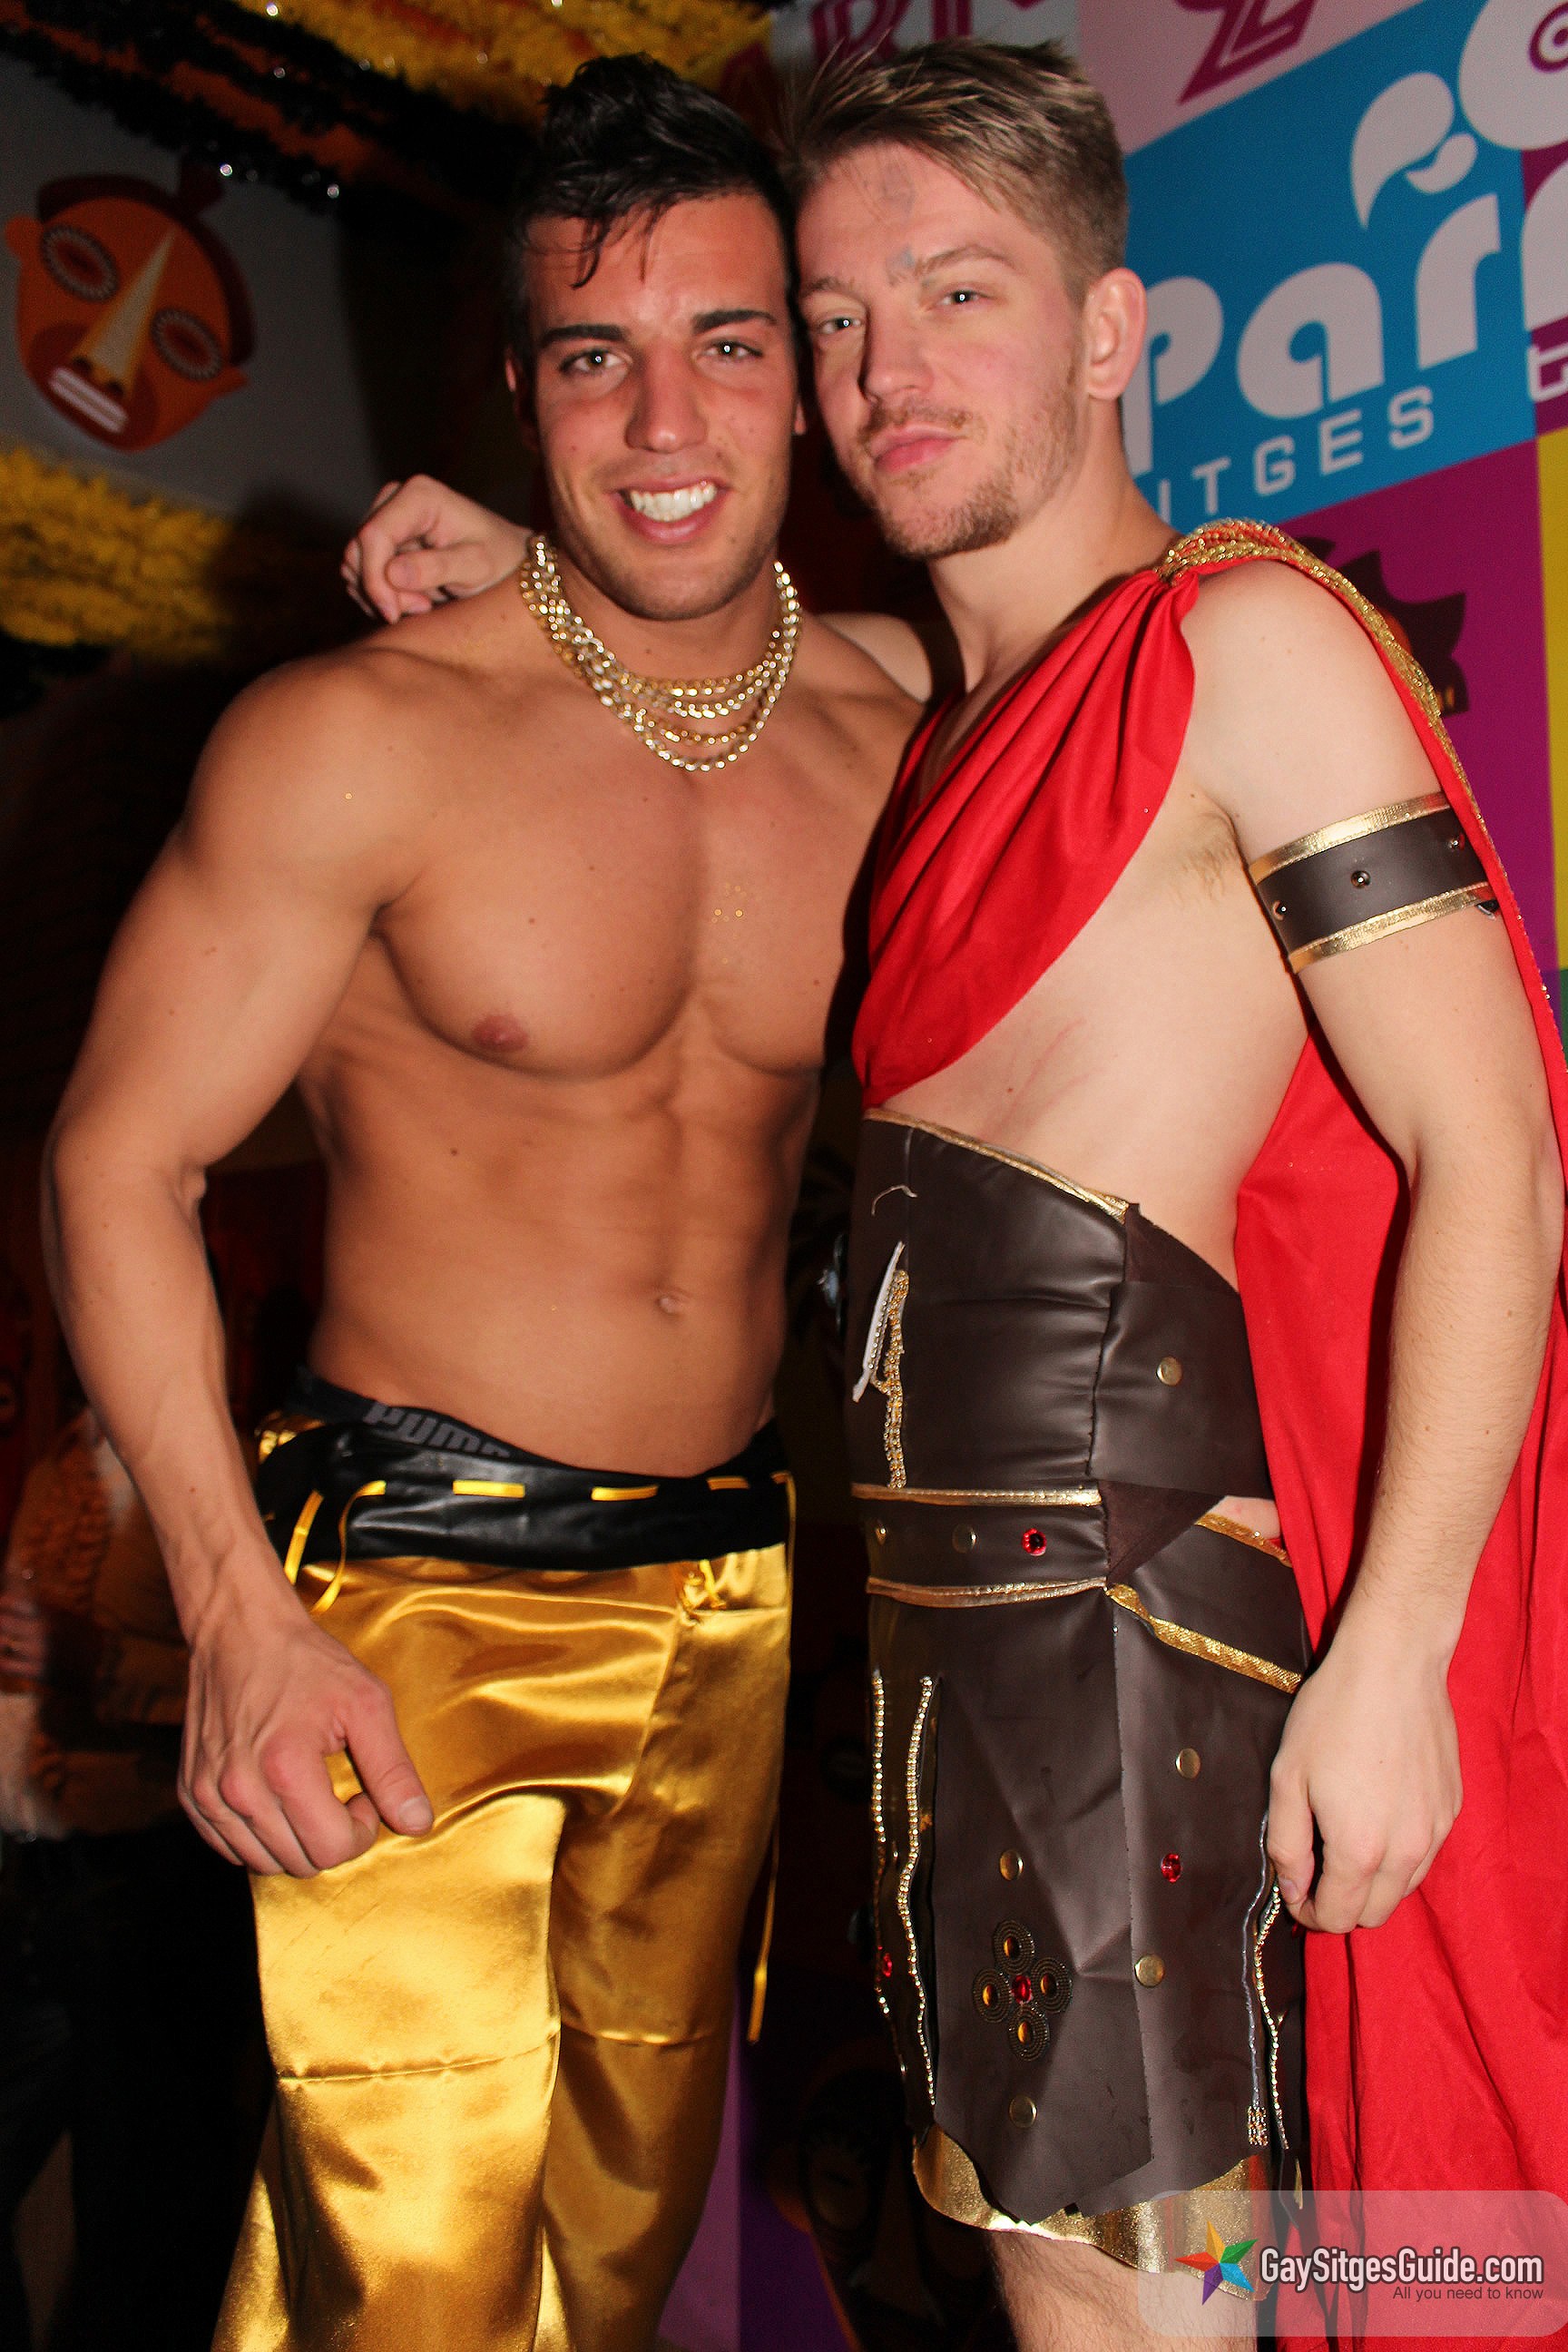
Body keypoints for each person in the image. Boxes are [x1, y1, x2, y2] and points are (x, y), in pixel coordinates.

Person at [358, 36, 1568, 2352]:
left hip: (1138, 1648)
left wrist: (1400, 1653)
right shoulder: (947, 728)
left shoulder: (1244, 650)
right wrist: (545, 565)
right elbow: (799, 667)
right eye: (833, 318)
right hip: (956, 1665)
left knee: (1128, 2301)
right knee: (1089, 2283)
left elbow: (1486, 1147)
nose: (883, 370)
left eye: (957, 294)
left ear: (1108, 329)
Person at [43, 58, 915, 2352]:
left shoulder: (900, 729)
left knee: (614, 2262)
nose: (666, 416)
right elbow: (117, 1159)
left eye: (728, 340)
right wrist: (237, 1617)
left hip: (732, 1593)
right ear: (518, 388)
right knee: (407, 2287)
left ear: (810, 377)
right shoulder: (362, 739)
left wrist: (552, 566)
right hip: (417, 1591)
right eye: (593, 354)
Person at [0, 1399, 265, 2352]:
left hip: (148, 1879)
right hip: (29, 1877)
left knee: (145, 2211)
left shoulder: (230, 1467)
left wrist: (101, 1661)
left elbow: (263, 1688)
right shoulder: (59, 1461)